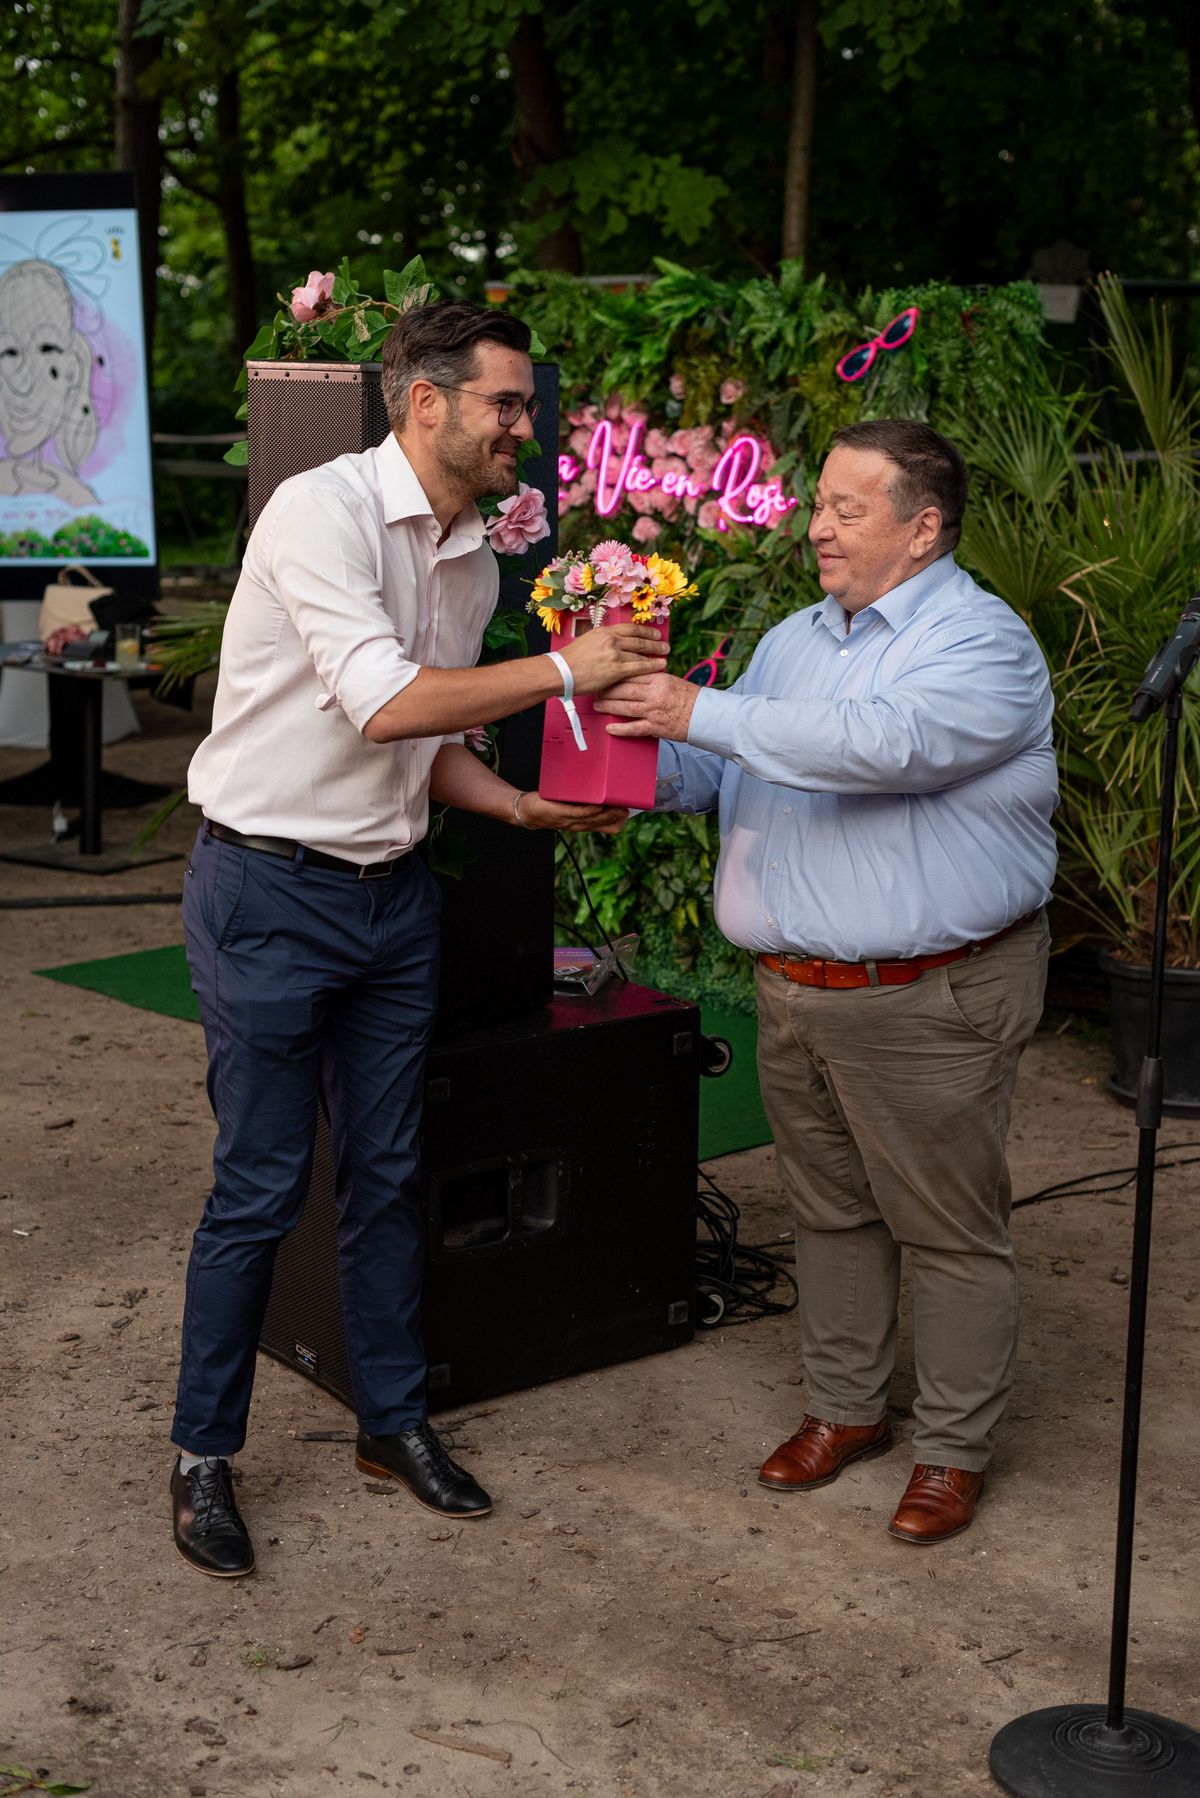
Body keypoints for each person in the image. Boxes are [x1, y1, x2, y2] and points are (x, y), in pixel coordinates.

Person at [171, 299, 667, 1579]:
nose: (524, 426)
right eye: (506, 402)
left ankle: (391, 1423)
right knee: (261, 1185)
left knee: (391, 1172)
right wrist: (570, 669)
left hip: (392, 904)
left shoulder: (475, 557)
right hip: (268, 893)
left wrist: (520, 806)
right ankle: (203, 1454)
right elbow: (385, 702)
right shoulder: (318, 512)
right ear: (426, 402)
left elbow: (429, 741)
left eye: (526, 405)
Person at [597, 419, 1056, 1545]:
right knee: (831, 1210)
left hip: (927, 995)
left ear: (924, 526)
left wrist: (698, 709)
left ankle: (951, 1449)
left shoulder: (981, 642)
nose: (818, 528)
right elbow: (728, 765)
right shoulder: (797, 638)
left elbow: (882, 747)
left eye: (849, 509)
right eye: (818, 506)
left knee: (948, 1231)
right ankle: (848, 1409)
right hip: (797, 990)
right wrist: (622, 768)